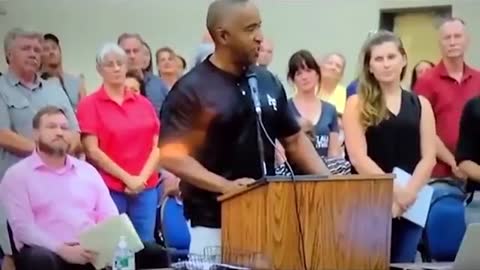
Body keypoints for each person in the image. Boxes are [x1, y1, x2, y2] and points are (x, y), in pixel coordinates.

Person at [158, 0, 330, 255]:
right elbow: (172, 156)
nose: (259, 37)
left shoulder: (267, 80)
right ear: (223, 35)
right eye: (250, 29)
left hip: (269, 218)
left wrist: (329, 184)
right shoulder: (191, 90)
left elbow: (293, 140)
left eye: (259, 27)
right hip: (214, 223)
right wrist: (225, 186)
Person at [343, 30, 436, 262]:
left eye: (391, 57)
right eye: (379, 59)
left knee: (403, 263)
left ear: (404, 60)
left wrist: (408, 195)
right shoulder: (357, 103)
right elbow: (357, 157)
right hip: (369, 204)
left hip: (411, 204)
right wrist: (397, 192)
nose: (386, 64)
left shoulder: (421, 104)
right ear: (370, 66)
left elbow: (429, 158)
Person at [0, 28, 81, 270]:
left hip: (60, 188)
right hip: (16, 184)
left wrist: (62, 152)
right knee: (15, 252)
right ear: (8, 54)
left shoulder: (54, 89)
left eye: (37, 49)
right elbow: (3, 134)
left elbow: (75, 133)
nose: (34, 54)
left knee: (59, 252)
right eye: (26, 49)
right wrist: (47, 153)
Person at [0, 106, 118, 270]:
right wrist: (63, 250)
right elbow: (23, 228)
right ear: (35, 134)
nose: (59, 132)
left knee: (152, 253)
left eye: (64, 127)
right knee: (40, 260)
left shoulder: (87, 171)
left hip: (90, 248)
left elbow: (110, 213)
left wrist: (103, 244)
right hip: (47, 251)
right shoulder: (17, 175)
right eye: (51, 127)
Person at [77, 43, 160, 242]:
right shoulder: (89, 104)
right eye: (109, 64)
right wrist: (128, 179)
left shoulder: (143, 103)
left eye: (120, 63)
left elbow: (157, 145)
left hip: (146, 188)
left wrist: (140, 179)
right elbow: (92, 150)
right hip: (110, 189)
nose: (116, 68)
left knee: (145, 246)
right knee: (114, 247)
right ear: (99, 69)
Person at [414, 17, 480, 184]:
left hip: (475, 176)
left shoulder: (478, 79)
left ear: (467, 40)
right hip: (440, 176)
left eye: (457, 36)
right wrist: (453, 162)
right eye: (447, 37)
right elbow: (423, 128)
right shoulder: (426, 81)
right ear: (440, 42)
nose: (452, 42)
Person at [287, 50, 341, 158]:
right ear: (293, 79)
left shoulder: (330, 110)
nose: (304, 77)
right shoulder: (285, 109)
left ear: (317, 74)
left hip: (326, 171)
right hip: (294, 172)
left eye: (308, 70)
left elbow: (334, 153)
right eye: (298, 73)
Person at [40, 33, 86, 110]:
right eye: (46, 49)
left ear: (60, 51)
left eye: (54, 48)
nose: (51, 52)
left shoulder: (76, 80)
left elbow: (85, 109)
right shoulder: (38, 83)